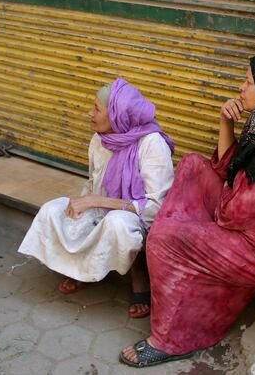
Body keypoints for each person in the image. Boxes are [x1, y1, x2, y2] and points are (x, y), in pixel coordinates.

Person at [119, 54, 255, 368]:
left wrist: (213, 208)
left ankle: (170, 341)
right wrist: (225, 122)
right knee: (192, 165)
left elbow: (231, 214)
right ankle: (185, 257)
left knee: (163, 240)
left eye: (248, 83)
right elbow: (225, 169)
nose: (241, 89)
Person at [19, 78, 174, 318]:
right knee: (53, 210)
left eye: (97, 109)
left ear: (117, 114)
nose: (89, 114)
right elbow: (94, 183)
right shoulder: (100, 138)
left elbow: (156, 207)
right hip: (102, 207)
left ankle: (139, 276)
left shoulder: (152, 144)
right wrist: (83, 203)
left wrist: (95, 202)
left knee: (117, 224)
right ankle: (83, 268)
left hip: (138, 218)